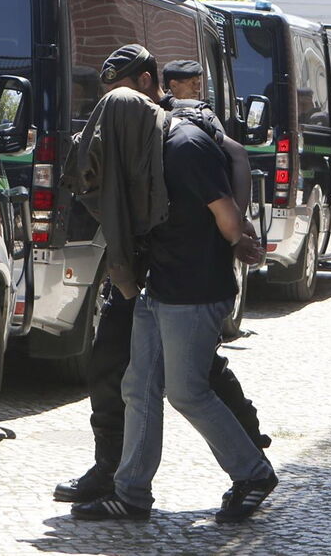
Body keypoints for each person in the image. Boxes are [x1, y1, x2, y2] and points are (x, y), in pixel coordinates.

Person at [55, 46, 271, 505]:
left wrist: (239, 236)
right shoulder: (140, 142)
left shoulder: (184, 141)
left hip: (193, 286)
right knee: (135, 385)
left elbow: (228, 203)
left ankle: (253, 470)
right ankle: (129, 491)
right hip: (155, 283)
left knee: (188, 390)